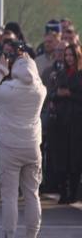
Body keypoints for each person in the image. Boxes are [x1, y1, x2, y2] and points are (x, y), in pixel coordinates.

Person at [0, 45, 48, 238]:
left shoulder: (9, 90)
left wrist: (1, 69)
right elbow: (31, 75)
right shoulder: (41, 90)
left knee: (9, 196)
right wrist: (26, 62)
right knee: (32, 194)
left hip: (10, 147)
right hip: (32, 147)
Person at [46, 42, 82, 204]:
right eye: (66, 55)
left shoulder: (80, 74)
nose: (68, 58)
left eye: (71, 55)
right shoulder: (60, 73)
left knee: (74, 159)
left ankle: (72, 192)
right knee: (61, 158)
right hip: (60, 121)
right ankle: (62, 191)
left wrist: (69, 94)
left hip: (76, 122)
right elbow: (51, 93)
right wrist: (58, 94)